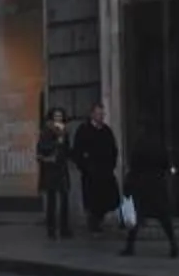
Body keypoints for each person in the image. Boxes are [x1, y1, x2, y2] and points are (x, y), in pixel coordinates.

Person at [118, 133, 179, 259]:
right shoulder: (160, 146)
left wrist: (128, 186)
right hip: (157, 185)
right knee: (164, 217)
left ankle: (130, 247)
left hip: (142, 185)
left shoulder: (138, 146)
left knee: (136, 217)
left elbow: (133, 167)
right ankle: (173, 244)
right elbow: (166, 164)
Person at [71, 103, 121, 234]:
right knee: (93, 200)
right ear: (92, 114)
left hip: (105, 172)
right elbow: (78, 151)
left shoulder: (106, 131)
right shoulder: (84, 130)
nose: (101, 116)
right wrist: (84, 166)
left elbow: (113, 149)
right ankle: (93, 223)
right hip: (91, 173)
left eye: (102, 114)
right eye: (99, 113)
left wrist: (111, 164)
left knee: (108, 199)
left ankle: (99, 220)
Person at [35, 106, 73, 240]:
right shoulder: (46, 131)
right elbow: (42, 148)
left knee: (65, 198)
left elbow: (67, 149)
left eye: (60, 116)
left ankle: (64, 228)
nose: (58, 119)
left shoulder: (64, 132)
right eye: (56, 116)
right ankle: (51, 228)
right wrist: (56, 143)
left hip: (62, 168)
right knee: (52, 200)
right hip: (51, 168)